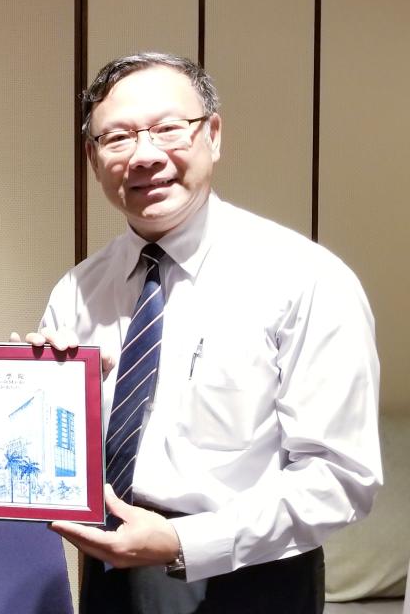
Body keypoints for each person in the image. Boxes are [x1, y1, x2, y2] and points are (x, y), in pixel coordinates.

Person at [21, 52, 381, 613]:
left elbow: (341, 477)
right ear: (94, 159)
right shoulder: (78, 289)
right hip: (109, 569)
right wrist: (35, 396)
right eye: (117, 138)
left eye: (168, 128)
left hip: (251, 576)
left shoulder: (304, 278)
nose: (144, 155)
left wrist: (184, 542)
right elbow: (52, 457)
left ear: (212, 135)